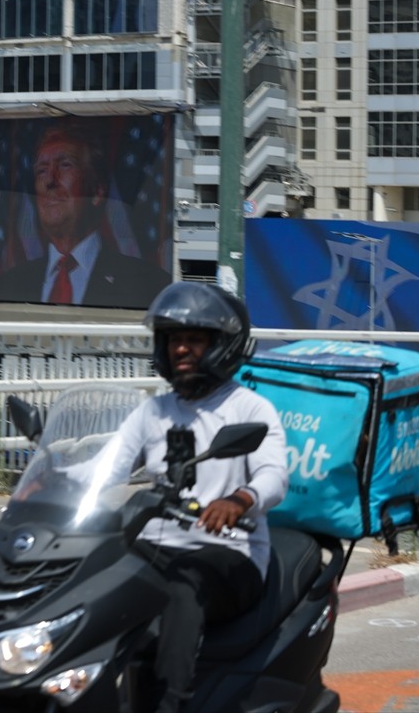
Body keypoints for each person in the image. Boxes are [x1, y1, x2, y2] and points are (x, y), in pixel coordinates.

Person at [102, 281, 288, 713]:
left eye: (194, 339)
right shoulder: (154, 411)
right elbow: (109, 465)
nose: (181, 349)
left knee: (181, 587)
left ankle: (171, 706)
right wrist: (49, 480)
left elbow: (274, 475)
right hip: (156, 545)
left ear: (222, 346)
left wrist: (239, 500)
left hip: (230, 551)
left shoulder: (249, 408)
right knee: (93, 576)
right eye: (174, 340)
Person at [0, 121, 170, 308]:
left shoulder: (148, 285)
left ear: (97, 192)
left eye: (65, 165)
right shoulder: (3, 289)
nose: (50, 180)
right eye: (42, 170)